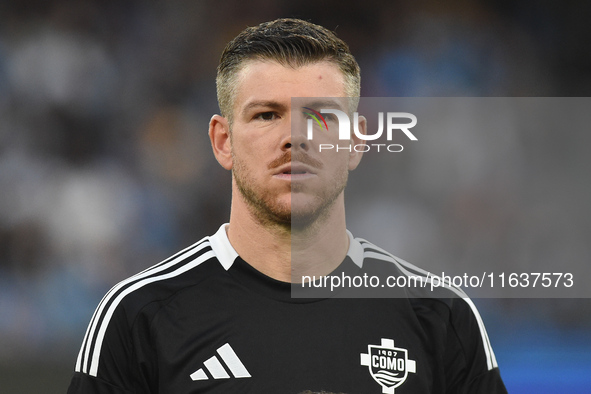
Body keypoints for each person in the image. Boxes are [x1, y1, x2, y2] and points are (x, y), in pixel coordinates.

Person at [67, 18, 507, 393]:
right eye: (266, 115)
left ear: (356, 142)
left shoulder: (440, 316)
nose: (295, 137)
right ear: (224, 142)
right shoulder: (138, 315)